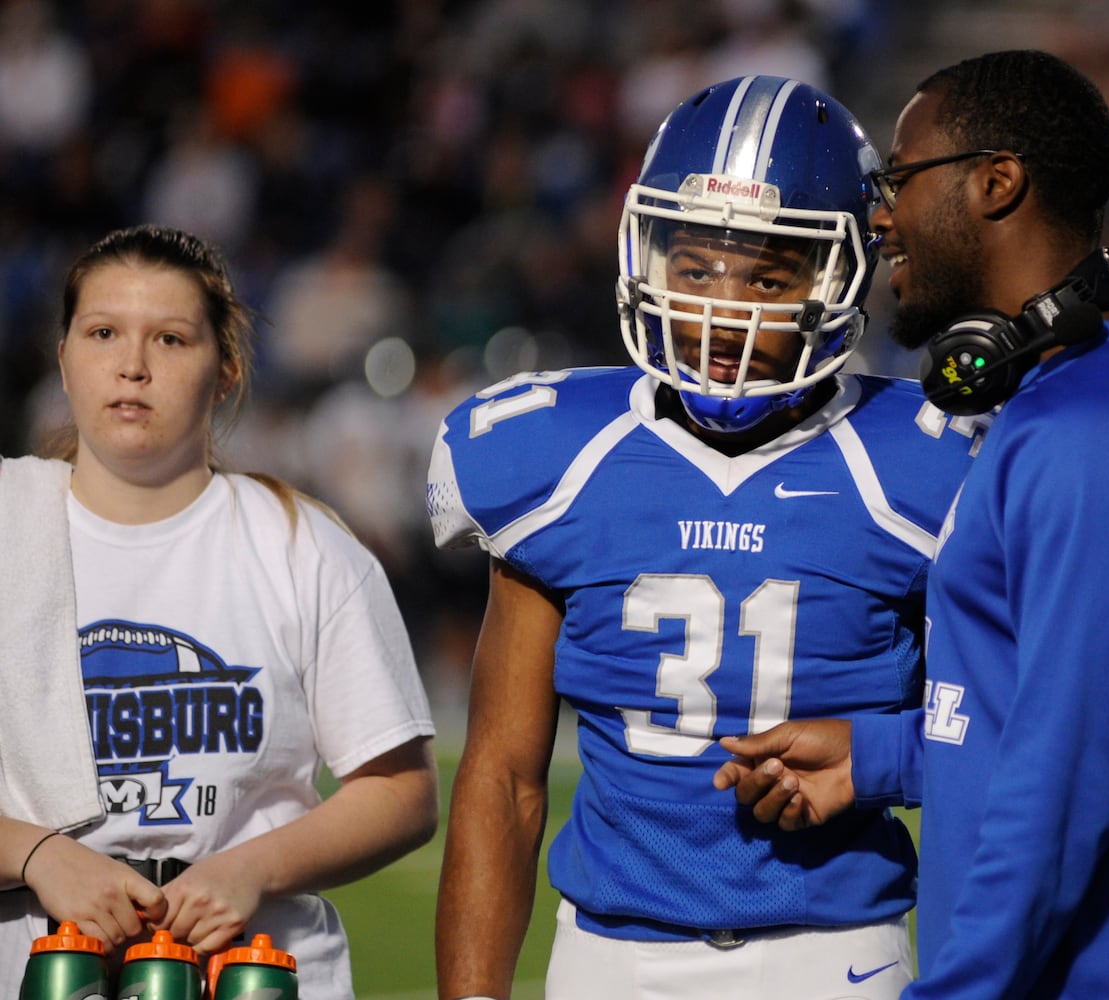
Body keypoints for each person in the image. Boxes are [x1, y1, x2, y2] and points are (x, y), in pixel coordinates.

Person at [426, 75, 990, 1000]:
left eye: (768, 275)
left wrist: (880, 756)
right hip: (609, 952)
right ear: (643, 253)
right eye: (694, 268)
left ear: (837, 277)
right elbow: (501, 776)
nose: (721, 308)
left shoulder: (925, 463)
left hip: (832, 948)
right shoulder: (553, 454)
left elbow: (1002, 728)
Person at [714, 50, 1109, 999]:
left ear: (996, 182)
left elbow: (1063, 788)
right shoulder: (1091, 399)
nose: (879, 215)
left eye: (897, 180)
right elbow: (1055, 721)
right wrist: (876, 755)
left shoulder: (1093, 434)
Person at [0, 223, 439, 997]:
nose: (132, 366)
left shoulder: (303, 545)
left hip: (251, 964)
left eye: (171, 340)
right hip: (36, 959)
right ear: (63, 360)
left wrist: (249, 868)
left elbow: (402, 792)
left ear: (226, 370)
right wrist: (40, 856)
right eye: (102, 333)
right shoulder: (10, 525)